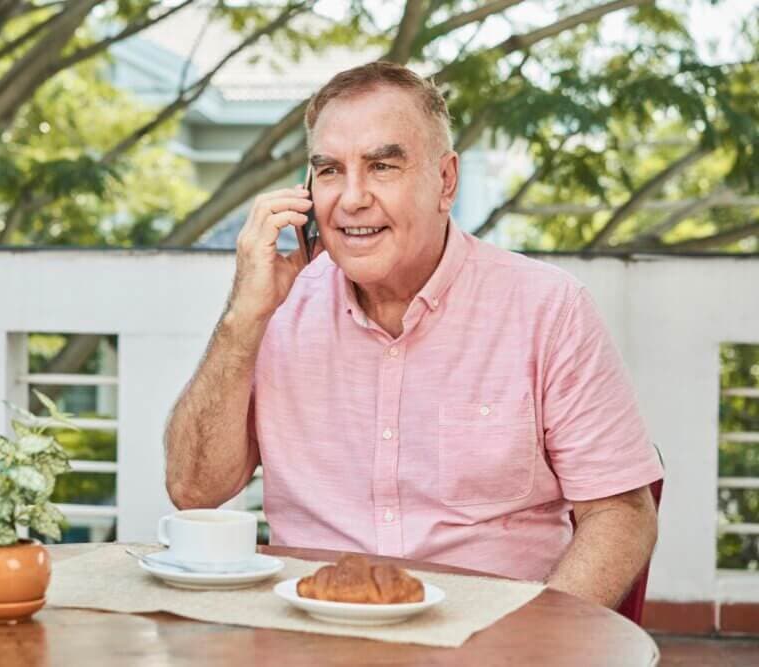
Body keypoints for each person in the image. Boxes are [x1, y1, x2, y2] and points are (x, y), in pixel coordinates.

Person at [164, 61, 663, 608]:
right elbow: (194, 491)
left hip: (491, 640)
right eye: (329, 170)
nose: (351, 198)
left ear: (445, 180)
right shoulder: (275, 308)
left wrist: (540, 637)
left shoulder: (547, 307)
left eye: (381, 166)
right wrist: (243, 317)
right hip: (313, 633)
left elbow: (620, 513)